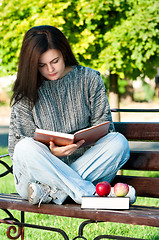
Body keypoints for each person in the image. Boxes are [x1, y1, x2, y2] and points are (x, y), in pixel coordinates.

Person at [8, 25, 134, 207]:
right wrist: (52, 153)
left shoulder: (90, 79)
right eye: (41, 65)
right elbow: (18, 152)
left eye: (55, 61)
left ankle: (53, 193)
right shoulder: (26, 90)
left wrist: (80, 144)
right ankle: (88, 193)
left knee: (118, 142)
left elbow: (105, 129)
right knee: (24, 147)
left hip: (67, 174)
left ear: (64, 53)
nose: (50, 69)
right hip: (36, 177)